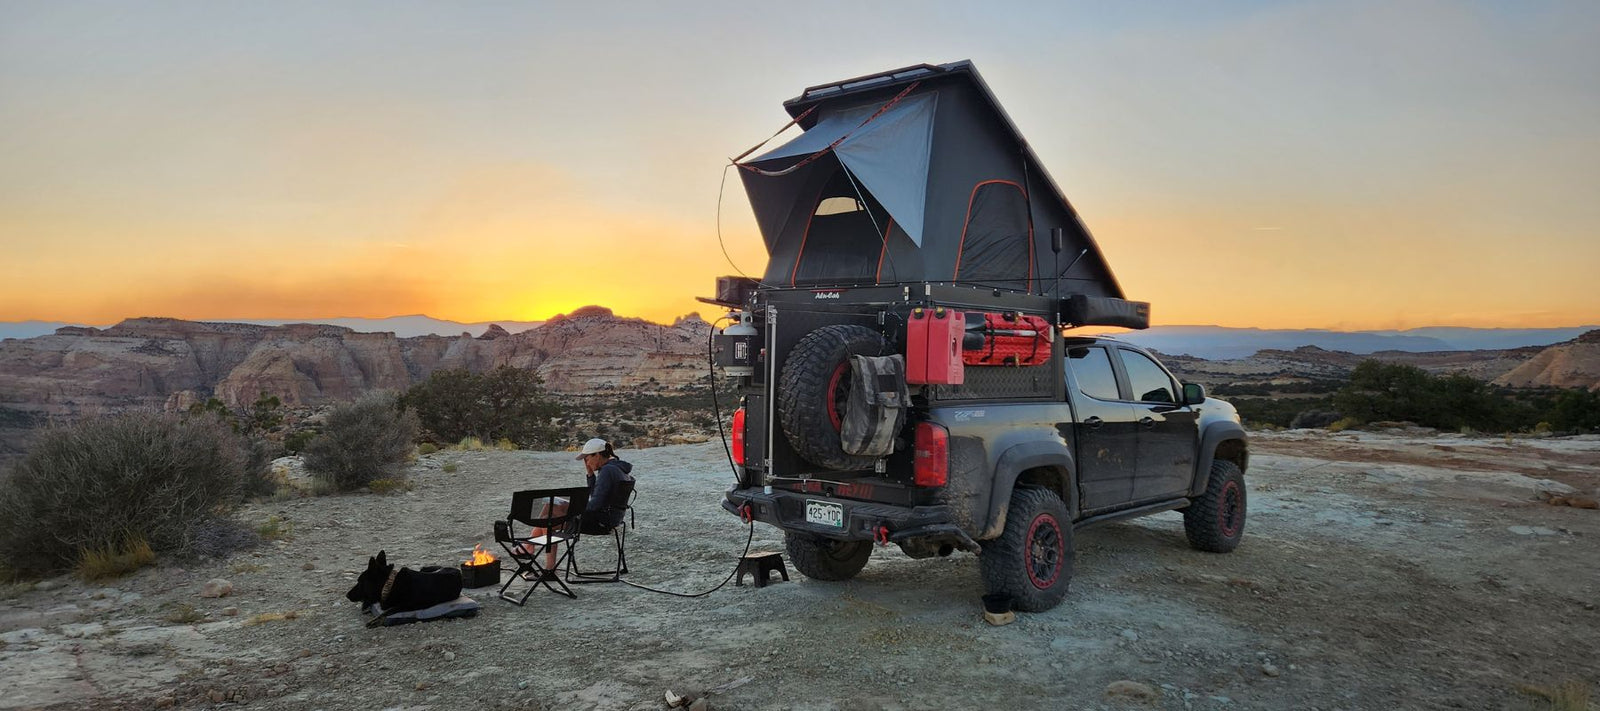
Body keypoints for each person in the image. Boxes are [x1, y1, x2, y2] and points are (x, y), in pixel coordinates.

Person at [575, 438, 634, 535]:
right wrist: (590, 474)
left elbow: (595, 505)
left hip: (601, 522)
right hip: (613, 519)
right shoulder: (618, 469)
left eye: (587, 459)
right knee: (552, 515)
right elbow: (596, 496)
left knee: (553, 516)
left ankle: (547, 550)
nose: (587, 463)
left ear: (597, 455)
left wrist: (572, 508)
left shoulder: (607, 471)